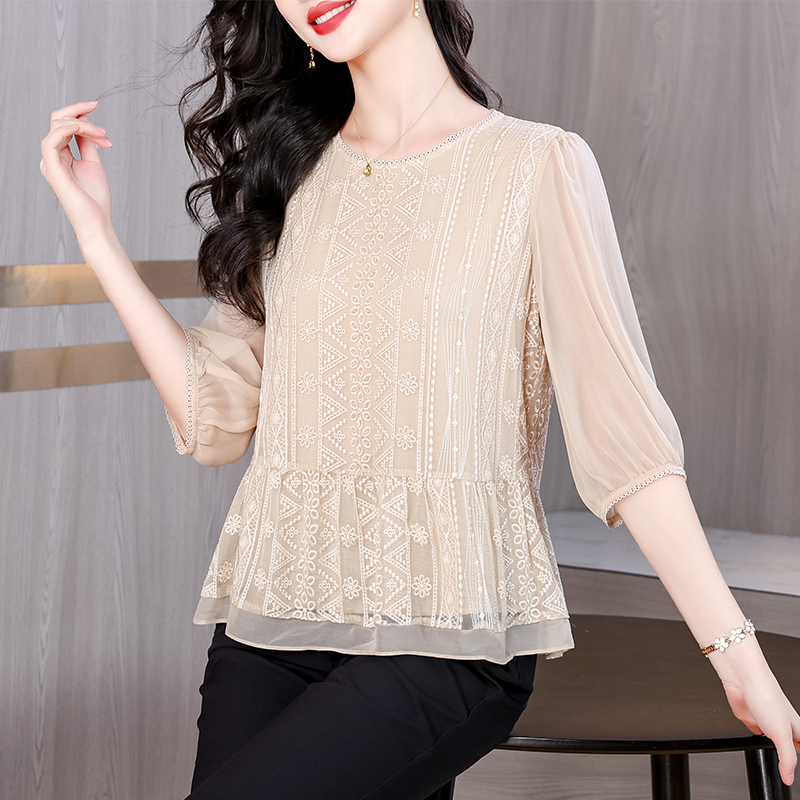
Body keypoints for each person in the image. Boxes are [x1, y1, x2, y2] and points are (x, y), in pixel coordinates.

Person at [39, 0, 799, 798]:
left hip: (451, 636)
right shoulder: (285, 175)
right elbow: (214, 418)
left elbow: (628, 444)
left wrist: (736, 655)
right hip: (273, 619)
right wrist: (97, 238)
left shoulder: (535, 166)